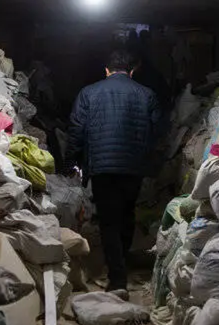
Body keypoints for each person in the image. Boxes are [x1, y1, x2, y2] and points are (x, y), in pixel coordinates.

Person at [66, 49, 162, 291]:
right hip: (133, 167)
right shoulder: (147, 95)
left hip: (102, 166)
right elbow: (157, 133)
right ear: (132, 70)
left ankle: (117, 279)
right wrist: (149, 162)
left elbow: (76, 130)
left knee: (109, 220)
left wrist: (70, 162)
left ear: (106, 70)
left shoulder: (88, 93)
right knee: (127, 213)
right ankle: (123, 262)